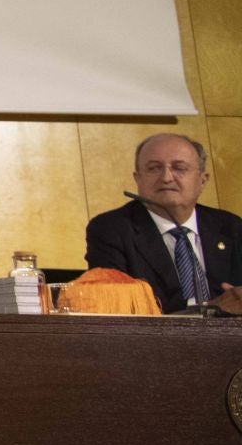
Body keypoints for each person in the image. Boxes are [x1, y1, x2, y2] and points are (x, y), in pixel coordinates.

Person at [85, 133, 242, 314]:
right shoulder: (111, 229)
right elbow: (117, 310)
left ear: (202, 180)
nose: (167, 178)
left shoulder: (231, 227)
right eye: (154, 168)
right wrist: (209, 309)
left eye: (179, 168)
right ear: (138, 179)